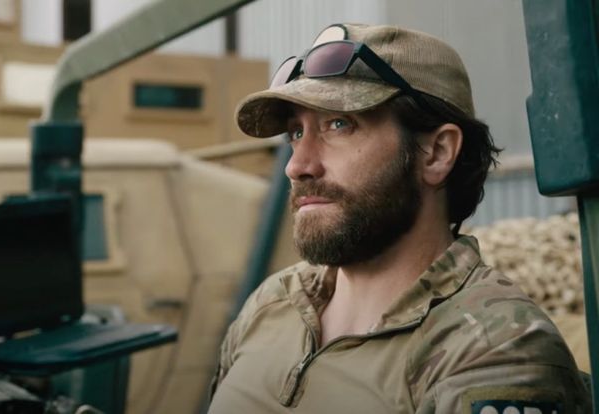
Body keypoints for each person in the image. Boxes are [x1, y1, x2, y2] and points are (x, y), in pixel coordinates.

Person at [207, 23, 591, 413]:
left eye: (339, 124)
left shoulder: (493, 350)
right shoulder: (271, 303)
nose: (297, 166)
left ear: (437, 152)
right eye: (295, 133)